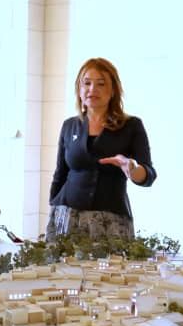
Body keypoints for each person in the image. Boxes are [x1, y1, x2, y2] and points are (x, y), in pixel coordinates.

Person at [47, 57, 156, 240]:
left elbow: (149, 175)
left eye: (101, 84)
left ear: (113, 90)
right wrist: (53, 209)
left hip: (111, 220)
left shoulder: (132, 125)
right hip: (66, 216)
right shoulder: (69, 125)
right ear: (79, 89)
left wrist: (133, 169)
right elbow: (60, 174)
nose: (92, 89)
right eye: (87, 83)